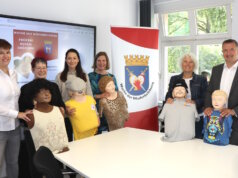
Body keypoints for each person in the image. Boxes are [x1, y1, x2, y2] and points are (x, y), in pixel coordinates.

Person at [18, 57, 65, 178]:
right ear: (33, 69)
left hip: (53, 130)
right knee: (35, 161)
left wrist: (62, 110)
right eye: (38, 68)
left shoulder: (53, 86)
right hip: (34, 131)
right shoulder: (25, 88)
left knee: (55, 160)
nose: (41, 70)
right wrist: (27, 113)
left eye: (44, 68)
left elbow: (60, 105)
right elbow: (21, 112)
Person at [0, 39, 31, 178]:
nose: (5, 56)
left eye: (7, 52)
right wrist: (16, 114)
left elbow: (14, 99)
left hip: (15, 128)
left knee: (13, 163)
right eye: (1, 53)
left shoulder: (13, 73)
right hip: (0, 128)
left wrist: (24, 112)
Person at [164, 53, 208, 138]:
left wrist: (194, 102)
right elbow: (169, 93)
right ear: (181, 64)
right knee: (179, 142)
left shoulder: (201, 79)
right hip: (178, 117)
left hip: (197, 117)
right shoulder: (174, 78)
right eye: (185, 61)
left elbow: (206, 97)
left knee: (196, 142)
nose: (187, 64)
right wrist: (168, 98)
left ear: (194, 65)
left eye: (191, 62)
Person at [204, 39, 238, 145]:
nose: (228, 53)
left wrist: (234, 111)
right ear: (222, 52)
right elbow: (210, 91)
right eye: (225, 50)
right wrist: (208, 106)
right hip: (215, 120)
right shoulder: (216, 69)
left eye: (232, 49)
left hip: (235, 122)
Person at [56, 48, 93, 141]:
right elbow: (57, 98)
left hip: (82, 115)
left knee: (82, 143)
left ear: (78, 60)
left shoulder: (84, 75)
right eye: (69, 58)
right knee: (68, 142)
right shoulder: (60, 76)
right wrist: (65, 109)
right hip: (66, 116)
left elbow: (89, 95)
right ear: (65, 60)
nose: (72, 61)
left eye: (74, 58)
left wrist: (95, 114)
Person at [26, 79, 69, 153]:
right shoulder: (31, 115)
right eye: (41, 91)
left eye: (48, 91)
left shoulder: (60, 110)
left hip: (64, 154)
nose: (47, 94)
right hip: (46, 159)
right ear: (34, 96)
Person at [88, 51, 118, 133]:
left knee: (112, 137)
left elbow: (116, 93)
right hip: (95, 112)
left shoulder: (112, 77)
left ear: (107, 62)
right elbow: (87, 96)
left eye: (104, 60)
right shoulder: (89, 76)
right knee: (96, 138)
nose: (101, 63)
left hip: (110, 112)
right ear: (95, 62)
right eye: (99, 60)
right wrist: (100, 96)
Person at [65, 76, 99, 140]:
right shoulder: (68, 104)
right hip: (80, 137)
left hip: (94, 133)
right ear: (70, 91)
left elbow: (94, 111)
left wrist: (97, 117)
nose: (80, 90)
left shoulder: (90, 98)